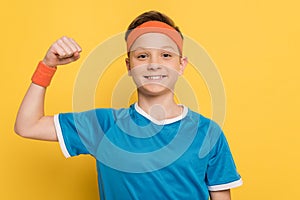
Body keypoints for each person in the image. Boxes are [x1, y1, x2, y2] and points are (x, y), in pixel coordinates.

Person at [15, 10, 242, 200]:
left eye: (165, 55)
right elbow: (28, 125)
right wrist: (47, 66)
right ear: (129, 65)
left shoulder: (208, 133)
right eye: (142, 56)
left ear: (181, 65)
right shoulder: (103, 125)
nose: (154, 65)